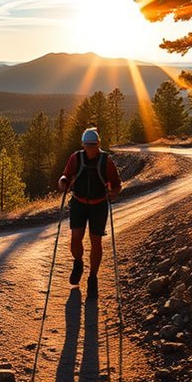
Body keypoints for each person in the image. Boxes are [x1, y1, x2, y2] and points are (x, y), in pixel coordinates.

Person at [57, 126, 122, 297]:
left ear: (98, 144)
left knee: (96, 240)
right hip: (79, 203)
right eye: (87, 145)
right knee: (76, 237)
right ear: (83, 144)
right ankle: (78, 262)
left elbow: (116, 184)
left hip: (99, 205)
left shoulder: (106, 161)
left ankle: (93, 278)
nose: (90, 148)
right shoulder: (75, 158)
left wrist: (113, 193)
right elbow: (65, 175)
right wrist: (63, 182)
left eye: (93, 145)